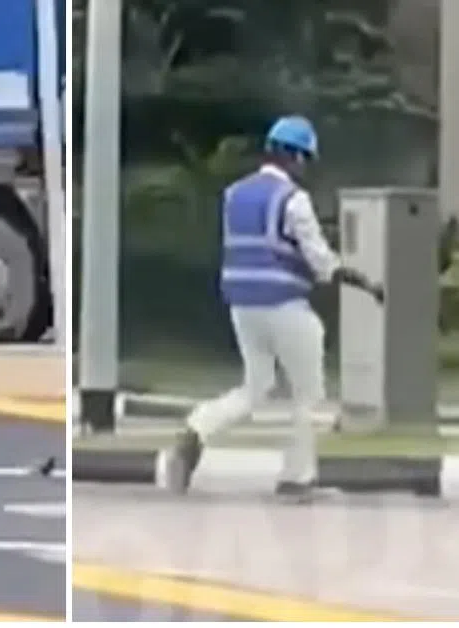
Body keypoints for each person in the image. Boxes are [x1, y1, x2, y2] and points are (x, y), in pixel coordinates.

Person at [164, 115, 385, 501]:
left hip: (242, 306)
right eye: (306, 160)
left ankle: (194, 431)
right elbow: (322, 262)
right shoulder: (293, 200)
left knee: (256, 387)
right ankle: (296, 480)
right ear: (296, 157)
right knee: (309, 393)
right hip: (285, 306)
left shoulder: (234, 194)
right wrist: (366, 284)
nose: (307, 169)